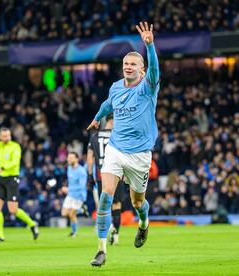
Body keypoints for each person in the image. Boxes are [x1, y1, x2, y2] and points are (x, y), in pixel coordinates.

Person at [87, 21, 160, 266]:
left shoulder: (148, 87)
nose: (128, 67)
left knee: (138, 202)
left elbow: (155, 70)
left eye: (133, 65)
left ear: (142, 69)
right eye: (126, 64)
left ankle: (143, 223)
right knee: (105, 196)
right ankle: (101, 250)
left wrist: (149, 47)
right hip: (116, 150)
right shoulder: (116, 87)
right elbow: (108, 105)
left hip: (139, 155)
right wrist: (97, 118)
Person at [87, 113, 123, 245]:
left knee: (104, 205)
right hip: (117, 175)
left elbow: (89, 158)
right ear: (112, 121)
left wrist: (90, 176)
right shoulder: (118, 136)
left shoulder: (94, 136)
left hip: (101, 175)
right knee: (117, 205)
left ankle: (109, 229)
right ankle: (116, 234)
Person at [61, 152, 87, 237]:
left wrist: (68, 189)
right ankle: (81, 210)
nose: (69, 159)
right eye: (68, 158)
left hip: (79, 195)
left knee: (71, 214)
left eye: (71, 158)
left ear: (77, 159)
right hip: (70, 194)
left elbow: (82, 186)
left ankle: (74, 232)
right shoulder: (69, 168)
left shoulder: (81, 171)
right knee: (64, 213)